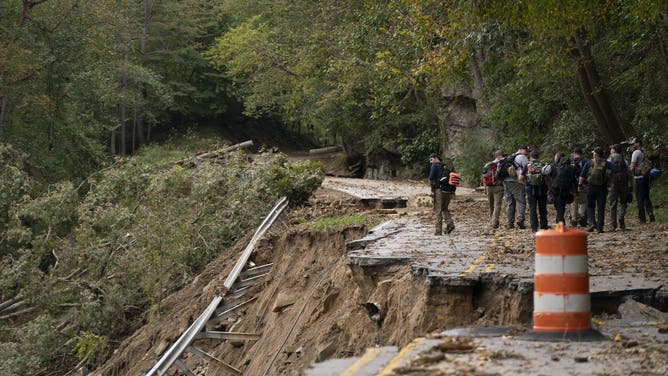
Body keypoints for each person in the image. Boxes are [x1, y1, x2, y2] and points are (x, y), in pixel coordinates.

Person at [580, 147, 611, 233]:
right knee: (601, 207)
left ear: (595, 154)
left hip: (590, 187)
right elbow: (615, 170)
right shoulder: (606, 163)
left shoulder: (589, 162)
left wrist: (580, 185)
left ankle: (592, 223)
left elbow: (582, 175)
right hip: (602, 188)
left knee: (590, 206)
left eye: (593, 153)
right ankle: (600, 227)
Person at [545, 152, 577, 225]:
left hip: (556, 189)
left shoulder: (552, 166)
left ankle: (560, 222)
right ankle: (559, 219)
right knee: (562, 205)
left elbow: (546, 176)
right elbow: (573, 180)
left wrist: (549, 188)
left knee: (558, 206)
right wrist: (575, 190)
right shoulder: (570, 168)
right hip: (566, 189)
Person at [629, 137, 655, 223]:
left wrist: (627, 173)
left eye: (633, 144)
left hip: (639, 178)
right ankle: (651, 214)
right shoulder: (644, 151)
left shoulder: (636, 152)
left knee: (639, 198)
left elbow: (632, 166)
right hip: (646, 177)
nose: (632, 145)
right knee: (646, 197)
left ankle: (642, 218)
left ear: (638, 143)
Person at [428, 153, 455, 235]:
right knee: (445, 208)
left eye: (431, 159)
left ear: (436, 158)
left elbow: (431, 177)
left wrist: (432, 188)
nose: (430, 162)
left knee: (438, 210)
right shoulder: (446, 166)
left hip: (440, 191)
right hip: (449, 191)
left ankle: (438, 231)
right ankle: (450, 224)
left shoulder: (435, 166)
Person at [522, 151, 548, 232]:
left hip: (530, 189)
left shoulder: (528, 165)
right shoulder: (543, 165)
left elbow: (521, 177)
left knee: (532, 208)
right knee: (543, 208)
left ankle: (534, 227)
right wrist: (550, 188)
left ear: (530, 157)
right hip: (542, 189)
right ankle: (544, 226)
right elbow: (548, 178)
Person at [503, 145, 529, 229]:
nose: (527, 152)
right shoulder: (522, 157)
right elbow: (527, 169)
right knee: (521, 201)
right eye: (526, 150)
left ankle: (509, 223)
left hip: (506, 181)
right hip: (516, 182)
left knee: (510, 203)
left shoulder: (511, 156)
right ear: (521, 150)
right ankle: (520, 220)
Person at [607, 144, 631, 231]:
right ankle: (621, 218)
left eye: (611, 149)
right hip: (624, 183)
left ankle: (613, 225)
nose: (610, 150)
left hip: (614, 183)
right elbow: (628, 172)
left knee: (613, 204)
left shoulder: (610, 159)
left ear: (614, 150)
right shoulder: (624, 160)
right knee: (623, 202)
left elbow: (607, 171)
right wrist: (629, 184)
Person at [483, 150, 505, 229]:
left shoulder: (487, 164)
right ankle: (494, 222)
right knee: (497, 205)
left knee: (491, 205)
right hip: (499, 187)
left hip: (489, 187)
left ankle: (491, 220)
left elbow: (484, 176)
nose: (503, 157)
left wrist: (485, 188)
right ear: (499, 156)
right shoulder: (502, 164)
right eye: (502, 155)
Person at [569, 147, 588, 227]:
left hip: (573, 184)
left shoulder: (571, 162)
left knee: (574, 202)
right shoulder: (586, 161)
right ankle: (582, 216)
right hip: (583, 184)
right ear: (581, 154)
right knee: (583, 201)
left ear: (574, 153)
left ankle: (574, 219)